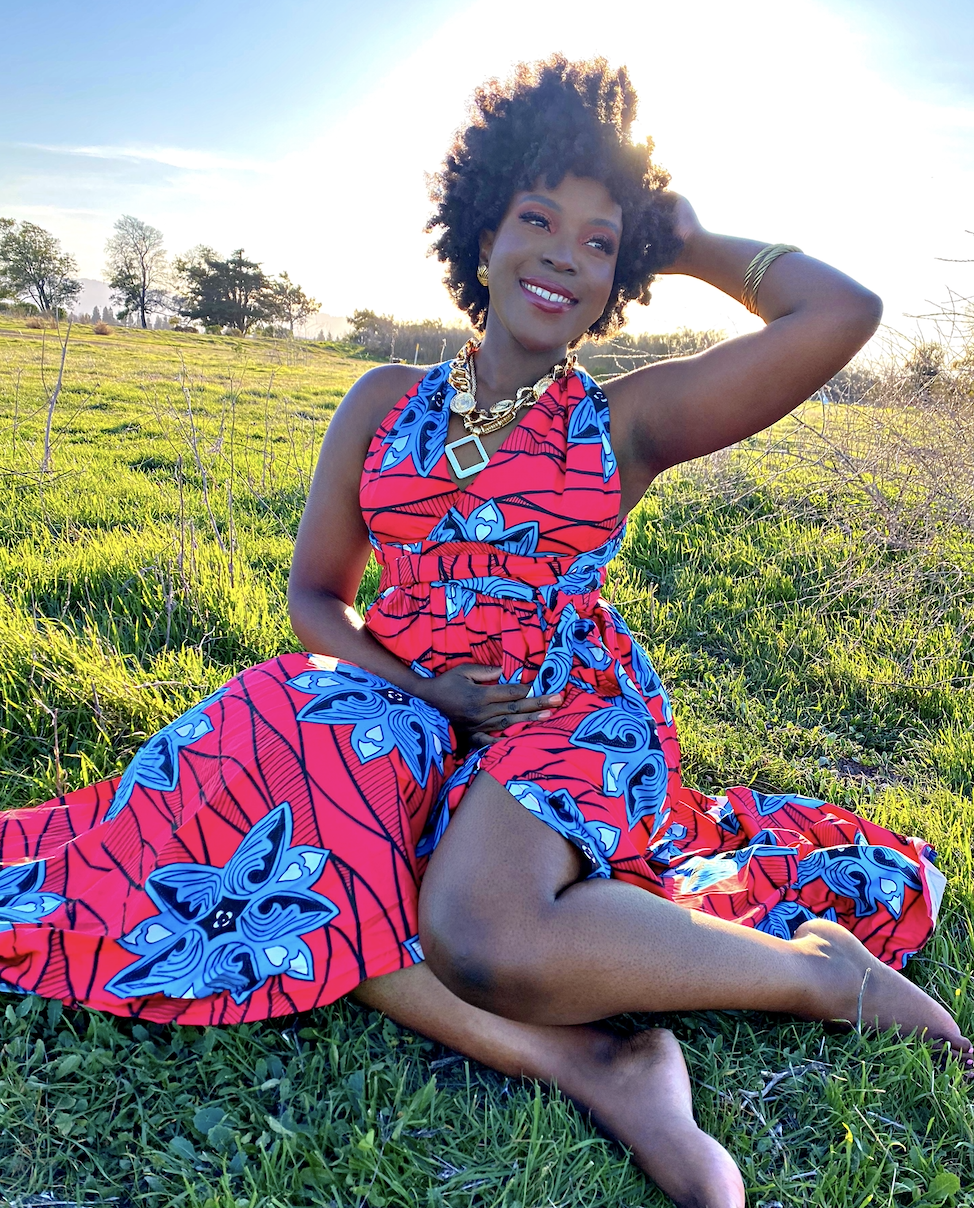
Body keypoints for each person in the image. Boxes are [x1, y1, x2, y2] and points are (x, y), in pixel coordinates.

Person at [0, 56, 966, 1208]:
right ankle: (588, 1060)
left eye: (601, 243)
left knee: (477, 932)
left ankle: (814, 972)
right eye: (537, 218)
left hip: (563, 709)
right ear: (482, 233)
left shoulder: (622, 422)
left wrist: (687, 236)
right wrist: (416, 688)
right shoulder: (379, 402)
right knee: (292, 786)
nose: (562, 252)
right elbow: (316, 598)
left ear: (620, 281)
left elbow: (838, 313)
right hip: (406, 703)